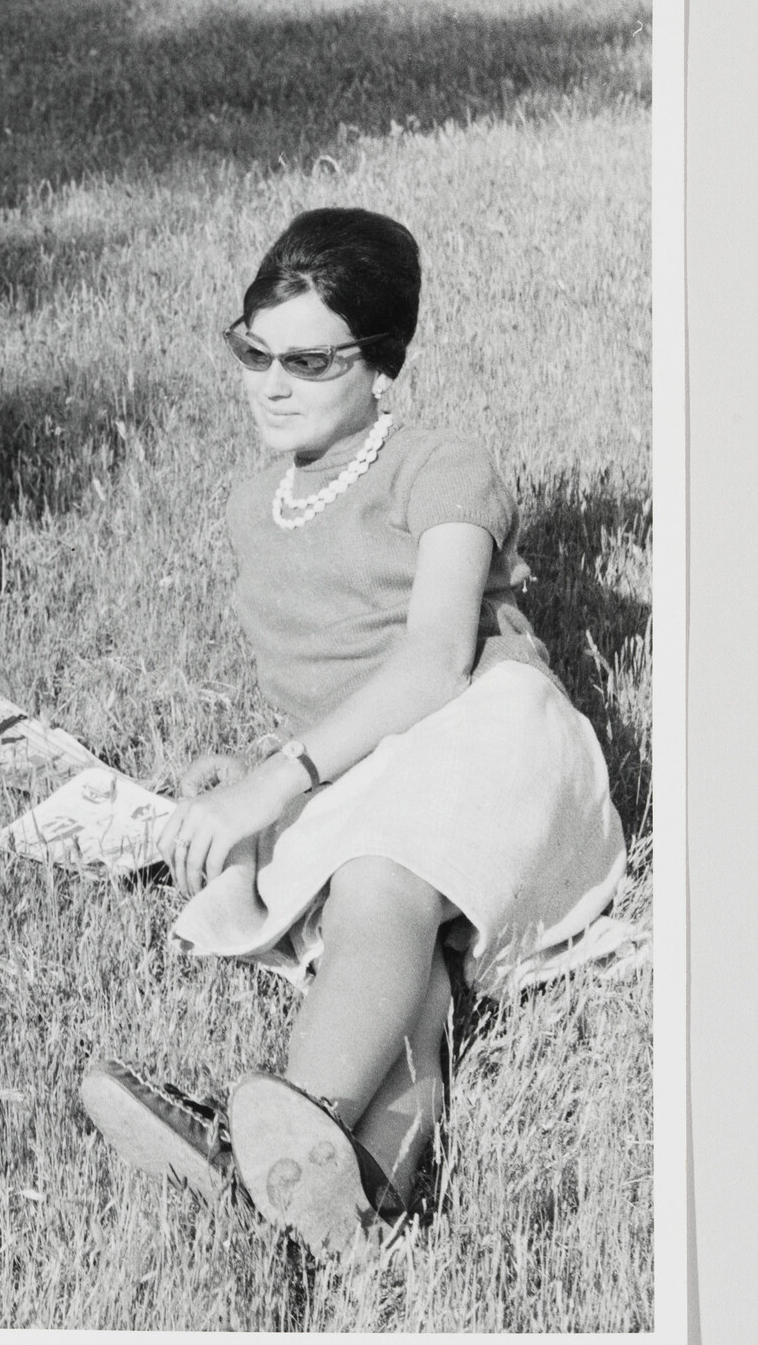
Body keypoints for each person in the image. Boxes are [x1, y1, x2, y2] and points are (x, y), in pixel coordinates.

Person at [80, 207, 626, 1254]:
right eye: (251, 349)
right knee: (397, 966)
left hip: (484, 729)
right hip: (372, 765)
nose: (268, 382)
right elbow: (321, 685)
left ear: (380, 363)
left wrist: (274, 780)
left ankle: (279, 1126)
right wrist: (247, 767)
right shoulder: (252, 506)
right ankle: (365, 1190)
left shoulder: (437, 461)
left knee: (380, 880)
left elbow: (432, 659)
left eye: (305, 359)